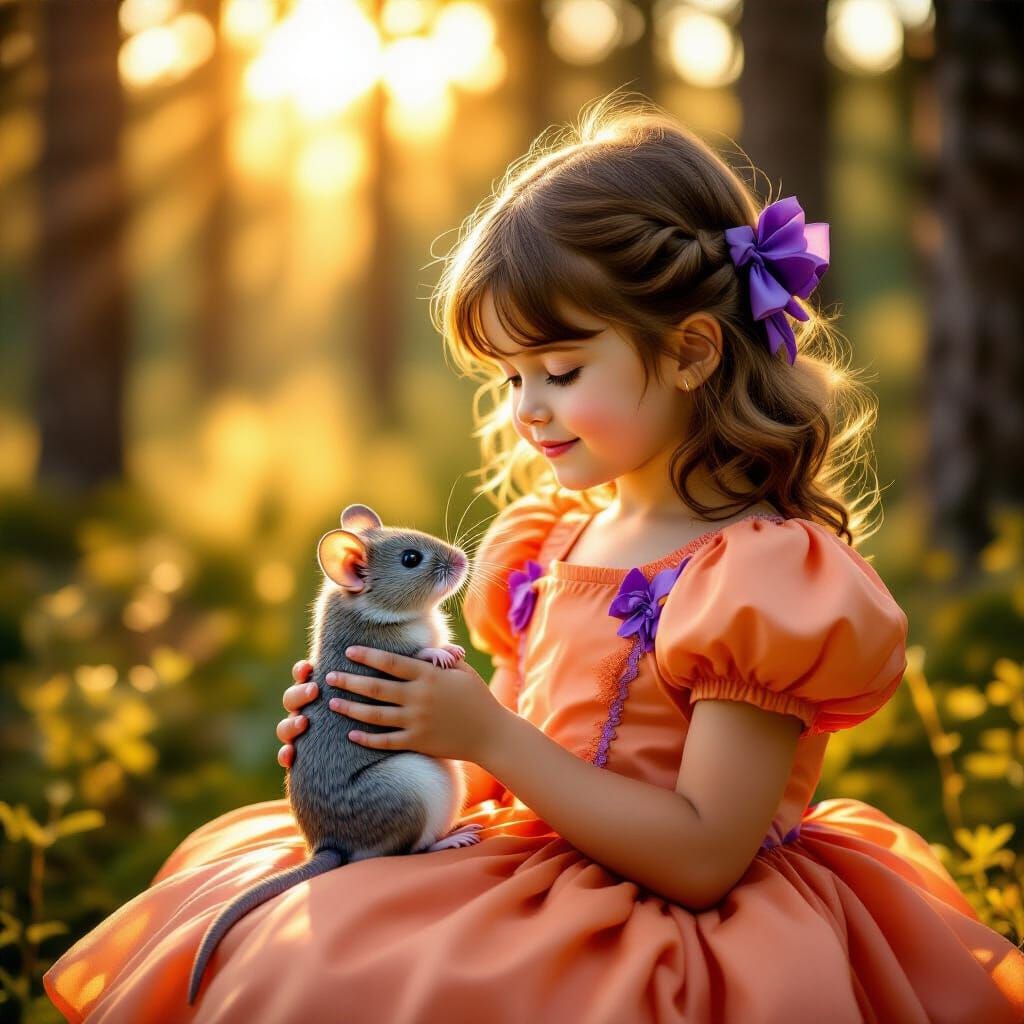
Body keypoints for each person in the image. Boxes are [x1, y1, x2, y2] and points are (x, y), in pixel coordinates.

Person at [44, 95, 1024, 1023]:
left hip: (679, 931)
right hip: (525, 865)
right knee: (291, 933)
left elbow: (700, 857)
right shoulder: (546, 540)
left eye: (559, 370)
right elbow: (507, 772)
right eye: (510, 376)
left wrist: (488, 737)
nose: (526, 409)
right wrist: (392, 744)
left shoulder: (758, 579)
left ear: (689, 351)